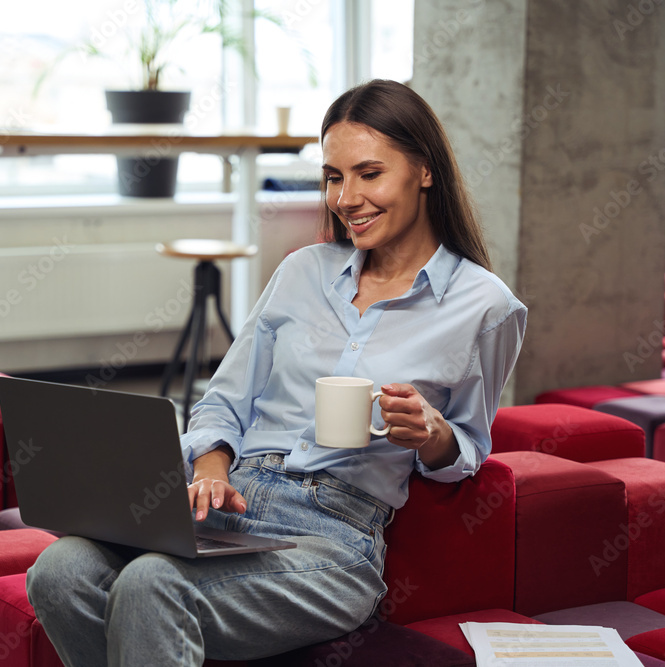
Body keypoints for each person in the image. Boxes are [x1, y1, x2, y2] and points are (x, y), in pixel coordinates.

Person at [26, 78, 527, 666]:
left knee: (152, 583)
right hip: (229, 505)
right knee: (59, 571)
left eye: (369, 174)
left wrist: (430, 431)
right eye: (334, 177)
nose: (346, 198)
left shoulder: (486, 307)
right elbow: (224, 399)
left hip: (333, 536)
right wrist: (212, 466)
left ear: (424, 170)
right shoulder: (301, 271)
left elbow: (468, 446)